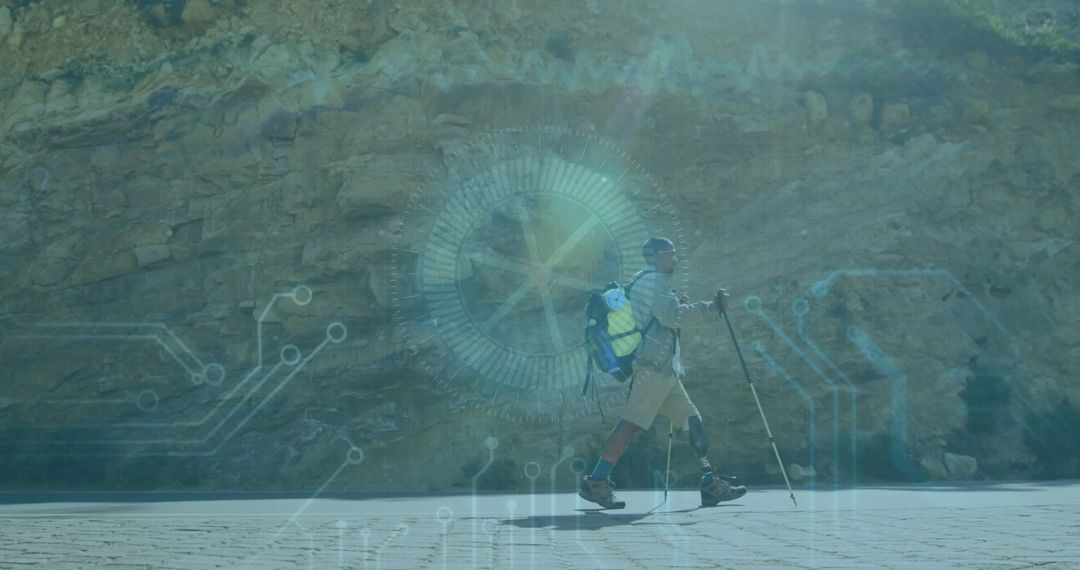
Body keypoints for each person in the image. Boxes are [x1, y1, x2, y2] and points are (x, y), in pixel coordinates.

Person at [578, 236, 748, 508]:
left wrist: (677, 304)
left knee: (692, 421)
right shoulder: (651, 281)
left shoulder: (648, 282)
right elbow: (671, 316)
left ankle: (709, 483)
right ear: (658, 256)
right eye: (671, 254)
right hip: (653, 368)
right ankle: (595, 483)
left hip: (665, 370)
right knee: (630, 423)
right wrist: (713, 308)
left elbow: (664, 314)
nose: (675, 259)